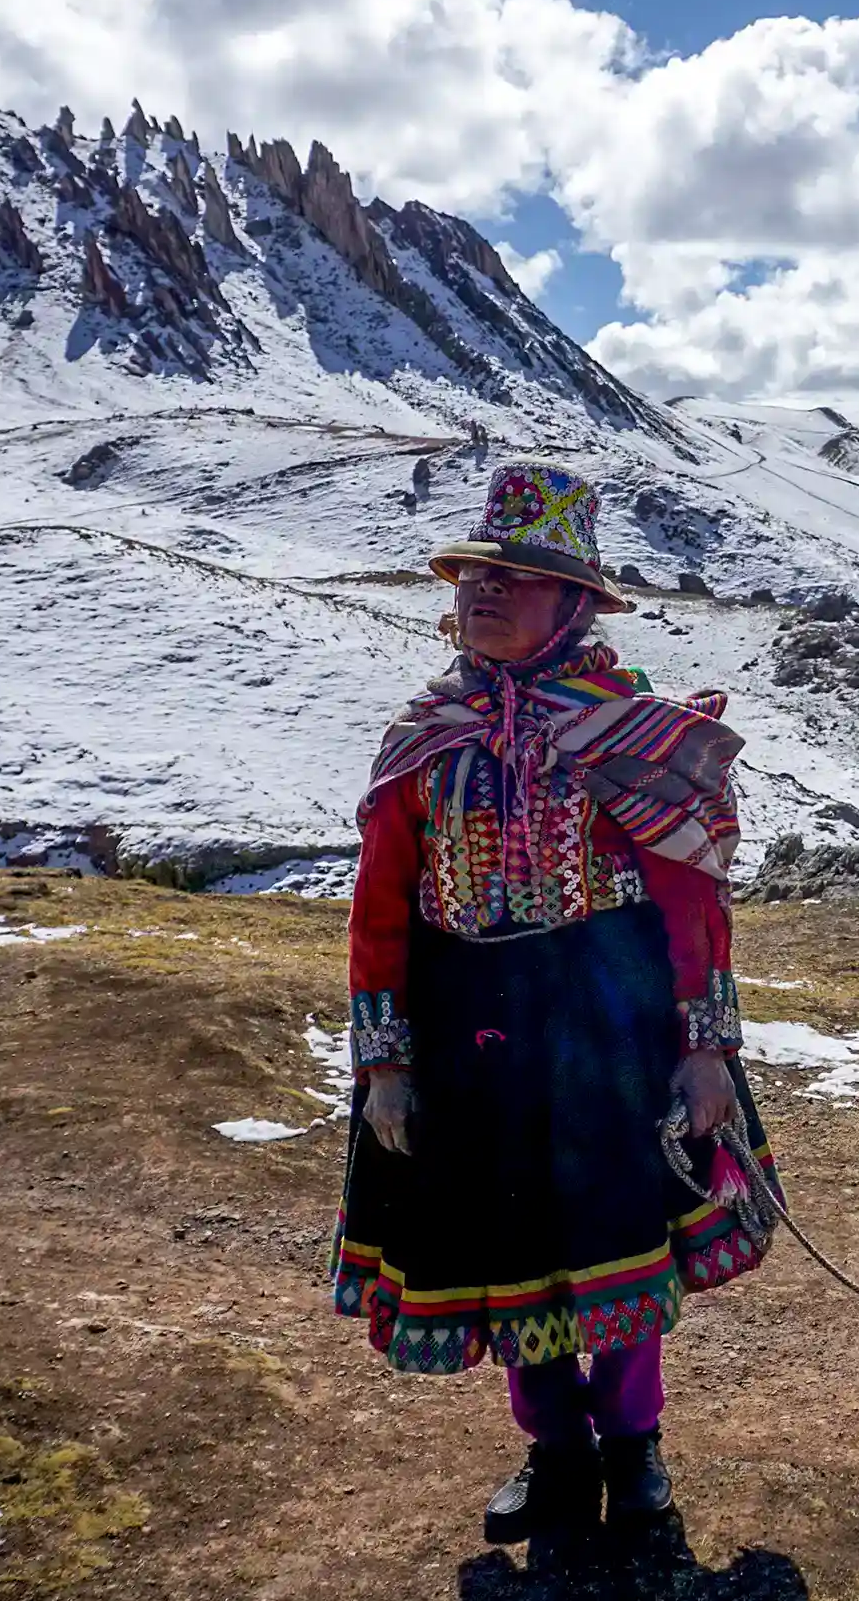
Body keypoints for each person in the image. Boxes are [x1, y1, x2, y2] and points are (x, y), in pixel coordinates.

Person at [329, 461, 777, 1564]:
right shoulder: (424, 738)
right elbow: (380, 907)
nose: (487, 591)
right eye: (479, 573)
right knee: (505, 1242)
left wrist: (705, 1047)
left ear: (571, 603)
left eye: (516, 578)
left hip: (608, 1019)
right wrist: (386, 1063)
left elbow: (691, 904)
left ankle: (634, 1446)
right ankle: (555, 1449)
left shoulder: (627, 735)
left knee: (621, 1239)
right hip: (466, 1026)